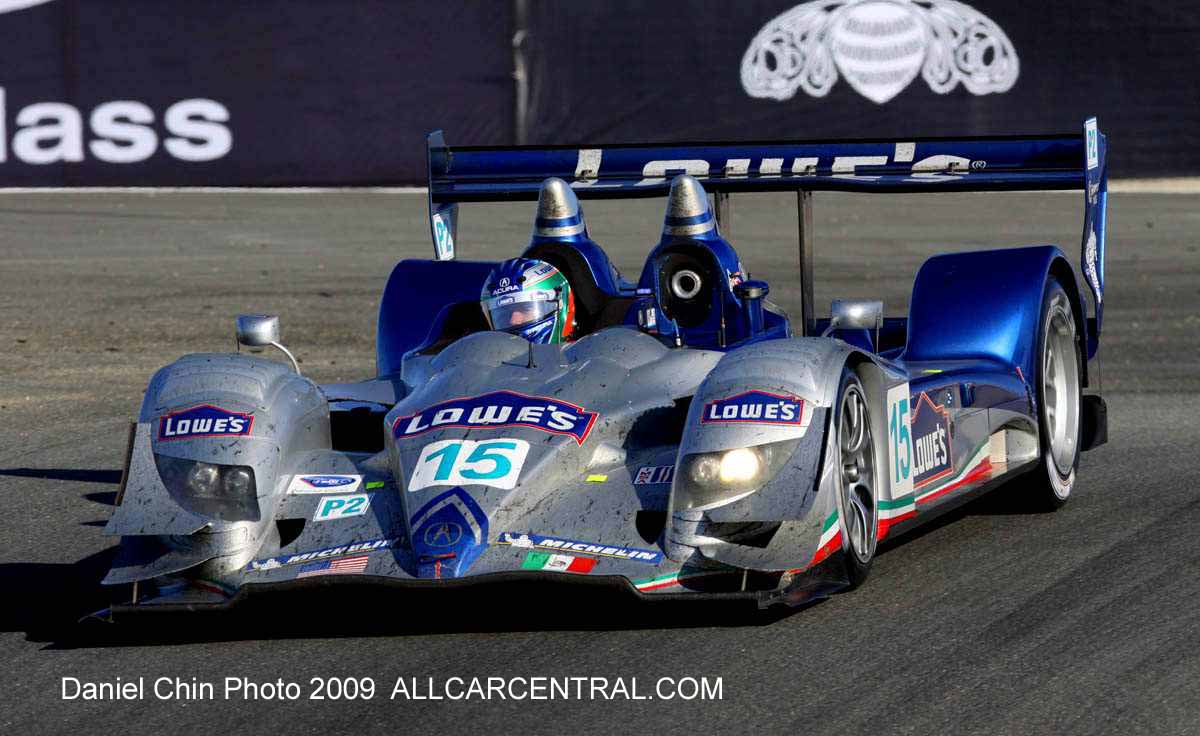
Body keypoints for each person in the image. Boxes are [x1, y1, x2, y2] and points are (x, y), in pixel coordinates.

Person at [480, 257, 576, 344]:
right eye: (505, 313)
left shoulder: (584, 359)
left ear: (559, 305)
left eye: (525, 309)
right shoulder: (485, 359)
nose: (514, 320)